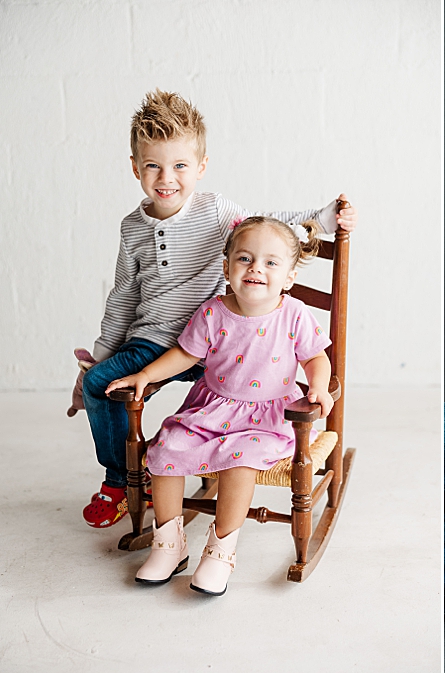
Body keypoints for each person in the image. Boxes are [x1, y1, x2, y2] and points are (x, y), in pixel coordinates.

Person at [74, 89, 357, 529]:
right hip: (152, 344)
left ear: (201, 167)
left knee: (218, 394)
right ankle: (124, 479)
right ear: (136, 168)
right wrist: (102, 355)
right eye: (154, 166)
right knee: (100, 383)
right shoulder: (132, 228)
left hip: (214, 344)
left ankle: (217, 452)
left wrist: (322, 217)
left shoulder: (216, 211)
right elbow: (124, 295)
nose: (167, 177)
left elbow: (267, 227)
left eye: (181, 166)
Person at [105, 215, 334, 596]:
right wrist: (145, 375)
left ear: (289, 277)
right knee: (164, 449)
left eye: (271, 263)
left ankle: (220, 550)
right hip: (211, 411)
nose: (256, 268)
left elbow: (316, 358)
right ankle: (169, 541)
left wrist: (320, 387)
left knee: (239, 461)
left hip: (267, 418)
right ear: (227, 268)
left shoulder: (293, 314)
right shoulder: (213, 312)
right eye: (244, 259)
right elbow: (184, 353)